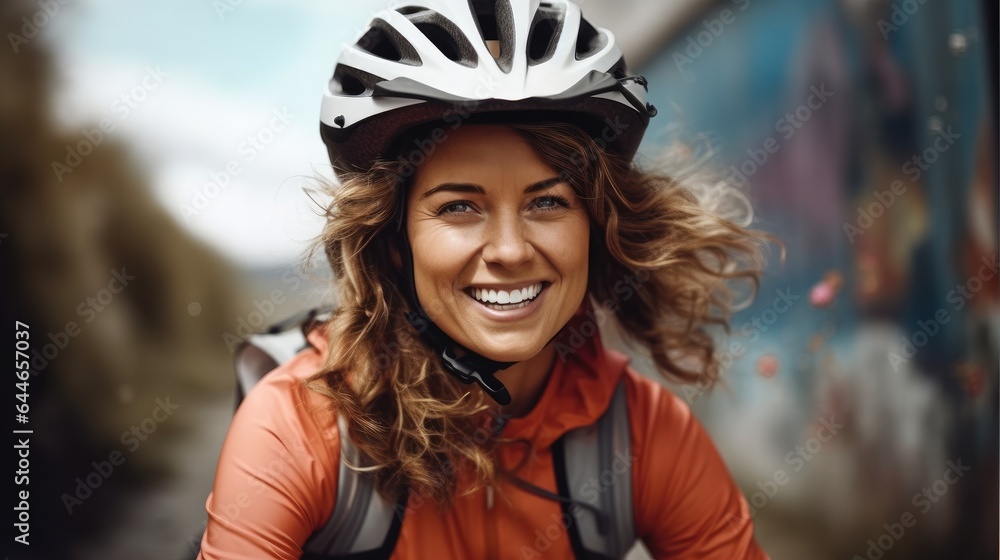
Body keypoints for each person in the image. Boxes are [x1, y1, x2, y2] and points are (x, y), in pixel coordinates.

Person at [198, 1, 771, 558]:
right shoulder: (296, 426)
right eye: (457, 208)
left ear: (597, 224)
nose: (510, 250)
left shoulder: (641, 433)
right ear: (396, 243)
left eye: (547, 202)